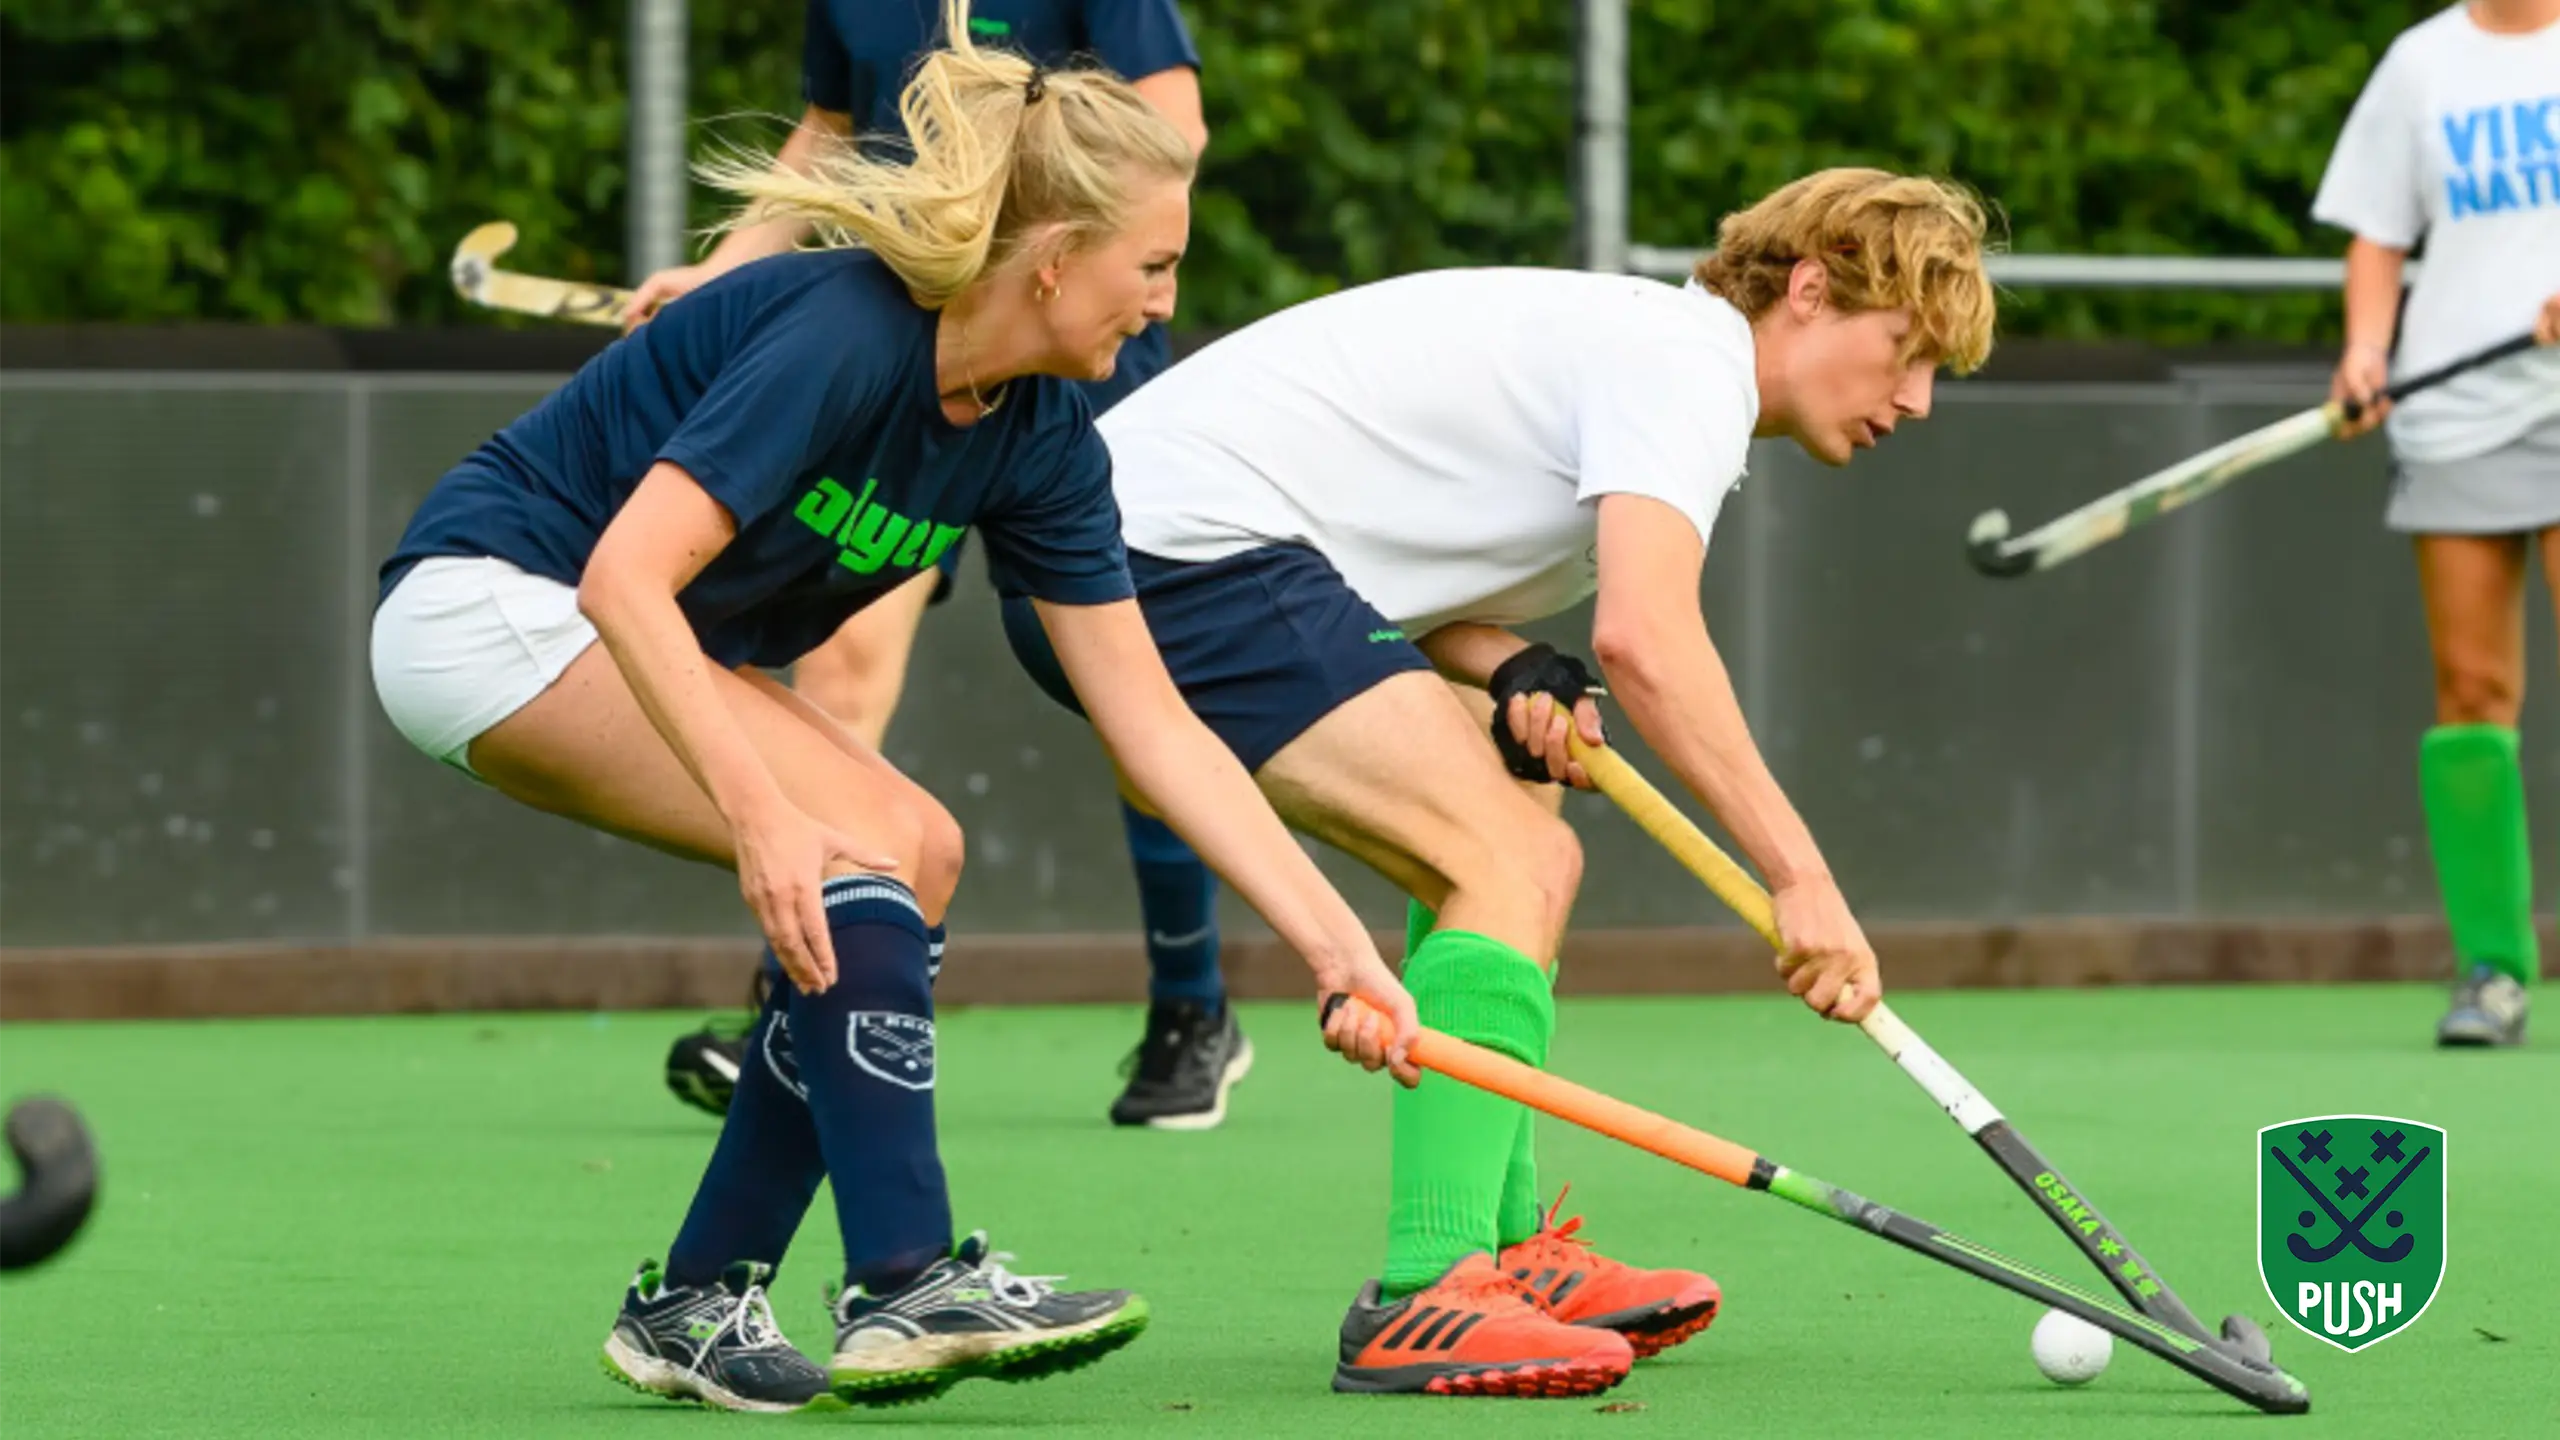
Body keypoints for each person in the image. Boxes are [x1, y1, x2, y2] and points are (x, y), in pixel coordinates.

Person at [371, 5, 1417, 1412]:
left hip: (615, 623)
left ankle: (694, 1299)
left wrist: (1338, 946)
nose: (1167, 301)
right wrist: (762, 819)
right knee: (856, 848)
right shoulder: (850, 332)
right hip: (493, 602)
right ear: (1052, 264)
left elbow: (1158, 729)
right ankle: (904, 1281)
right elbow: (625, 577)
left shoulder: (1044, 439)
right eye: (1153, 266)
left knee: (915, 852)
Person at [1003, 167, 1995, 1397]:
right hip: (1173, 549)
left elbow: (1398, 570)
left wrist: (1511, 658)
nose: (1916, 399)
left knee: (1507, 793)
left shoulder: (1647, 354)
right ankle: (1428, 1290)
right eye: (1903, 351)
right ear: (1805, 290)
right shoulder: (1683, 366)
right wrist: (1799, 880)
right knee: (1511, 859)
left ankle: (1506, 1249)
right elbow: (1647, 640)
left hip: (1190, 548)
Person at [636, 0, 1245, 1131]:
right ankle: (799, 1001)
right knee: (840, 669)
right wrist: (727, 273)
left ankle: (1191, 1007)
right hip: (912, 361)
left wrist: (1037, 232)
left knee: (1125, 696)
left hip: (1073, 369)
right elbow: (826, 133)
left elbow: (1174, 128)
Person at [2313, 0, 2560, 1048]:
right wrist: (2367, 350)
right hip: (2455, 411)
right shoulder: (2419, 63)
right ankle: (2494, 971)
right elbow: (2380, 235)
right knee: (2470, 692)